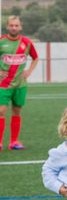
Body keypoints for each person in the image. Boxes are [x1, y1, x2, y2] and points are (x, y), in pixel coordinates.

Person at [0, 15, 39, 151]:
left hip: (20, 84)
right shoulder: (1, 41)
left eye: (16, 25)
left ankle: (14, 142)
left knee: (16, 112)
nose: (14, 28)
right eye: (11, 25)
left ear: (20, 27)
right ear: (7, 27)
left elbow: (35, 57)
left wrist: (29, 71)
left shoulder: (27, 42)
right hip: (3, 84)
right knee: (1, 111)